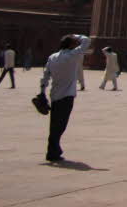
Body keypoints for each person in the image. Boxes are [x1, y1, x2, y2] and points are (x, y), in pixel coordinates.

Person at [39, 34, 91, 162]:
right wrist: (76, 35)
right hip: (67, 95)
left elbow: (45, 76)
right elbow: (86, 41)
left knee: (54, 124)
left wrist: (42, 92)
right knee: (61, 125)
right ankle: (53, 151)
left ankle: (53, 150)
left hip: (55, 94)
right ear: (71, 45)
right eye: (75, 43)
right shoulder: (73, 56)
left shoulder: (52, 57)